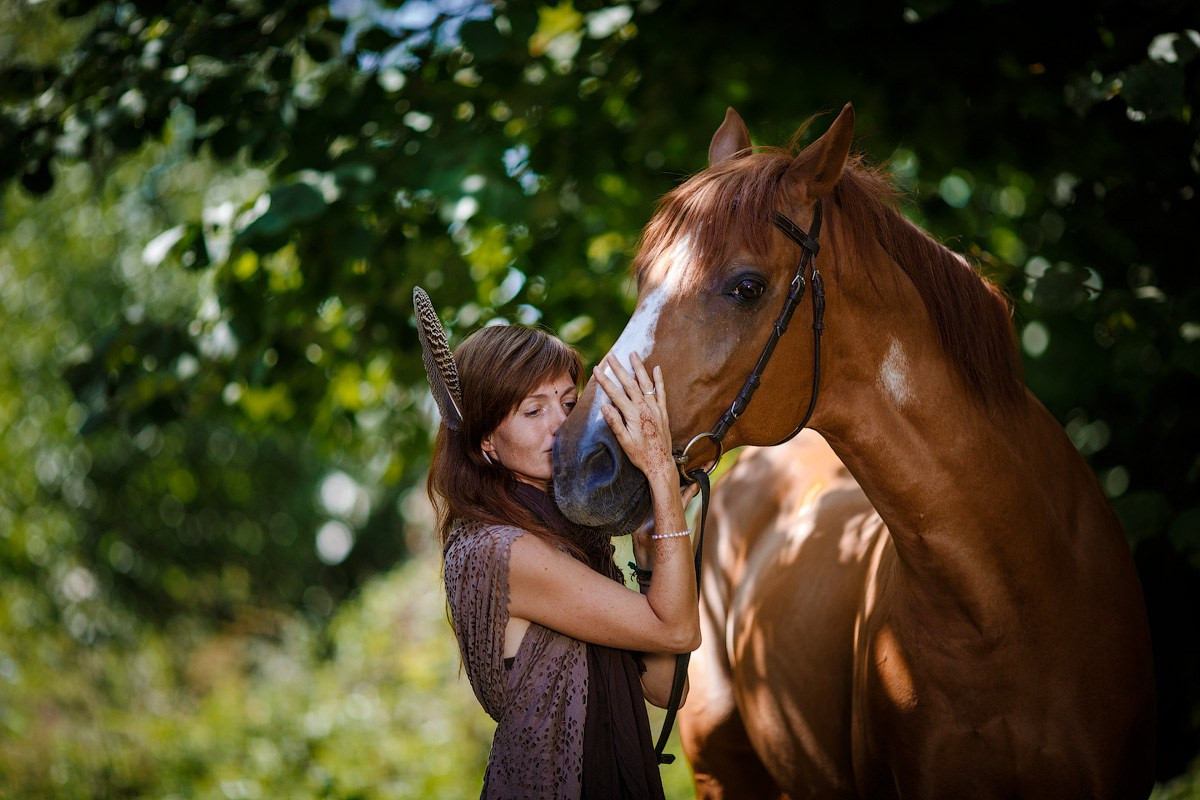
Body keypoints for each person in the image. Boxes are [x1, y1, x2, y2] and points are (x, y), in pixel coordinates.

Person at [419, 305, 700, 799]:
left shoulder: (573, 541)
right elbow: (676, 627)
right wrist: (658, 472)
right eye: (533, 410)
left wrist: (648, 550)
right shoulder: (501, 551)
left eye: (569, 404)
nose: (560, 426)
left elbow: (664, 689)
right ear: (486, 441)